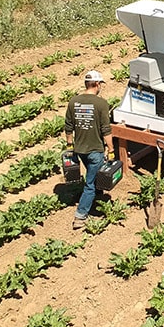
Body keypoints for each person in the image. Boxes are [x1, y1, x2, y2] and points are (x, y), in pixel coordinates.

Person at [64, 70, 115, 229]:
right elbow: (106, 130)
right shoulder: (101, 104)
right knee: (90, 184)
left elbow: (68, 126)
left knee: (93, 174)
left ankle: (97, 197)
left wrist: (70, 146)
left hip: (80, 150)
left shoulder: (74, 101)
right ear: (97, 84)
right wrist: (111, 149)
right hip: (95, 150)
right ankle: (80, 216)